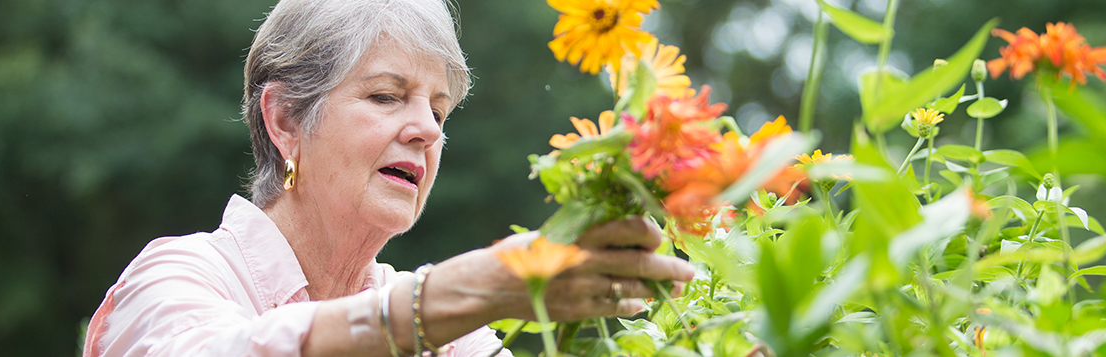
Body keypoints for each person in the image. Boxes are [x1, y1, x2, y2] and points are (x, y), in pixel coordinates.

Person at [81, 0, 696, 356]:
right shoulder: (180, 275)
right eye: (385, 96)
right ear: (286, 119)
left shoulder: (458, 341)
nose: (427, 129)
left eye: (438, 109)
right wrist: (458, 295)